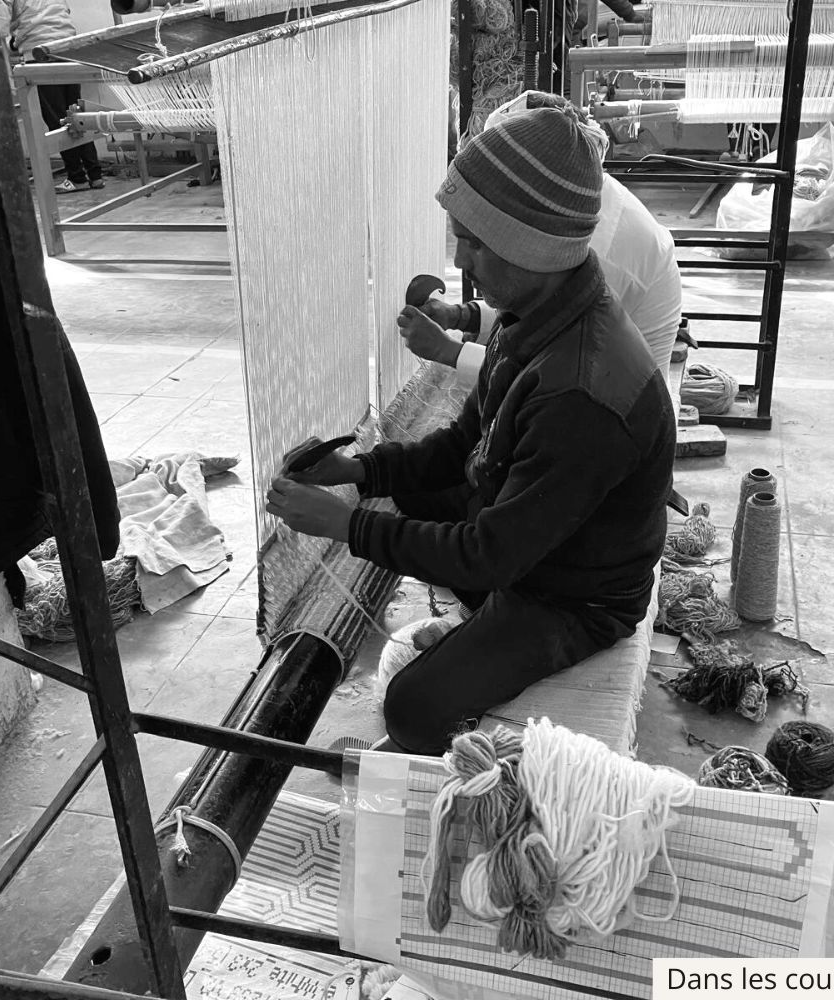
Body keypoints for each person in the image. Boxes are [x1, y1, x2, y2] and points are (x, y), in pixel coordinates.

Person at [266, 103, 675, 756]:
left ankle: (492, 645)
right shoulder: (532, 317)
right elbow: (462, 446)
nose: (463, 259)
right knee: (414, 493)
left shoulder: (583, 391)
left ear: (537, 248)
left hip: (577, 594)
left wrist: (344, 525)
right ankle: (483, 623)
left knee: (412, 708)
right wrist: (358, 469)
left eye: (478, 241)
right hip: (535, 540)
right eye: (460, 236)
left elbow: (489, 555)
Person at [411, 91, 682, 387]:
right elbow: (530, 310)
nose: (459, 261)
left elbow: (538, 376)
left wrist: (448, 351)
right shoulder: (571, 205)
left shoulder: (594, 252)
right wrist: (460, 316)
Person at [0, 0, 104, 193]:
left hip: (39, 54)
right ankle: (95, 176)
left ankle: (77, 178)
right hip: (68, 48)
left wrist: (8, 77)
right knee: (77, 115)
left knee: (58, 120)